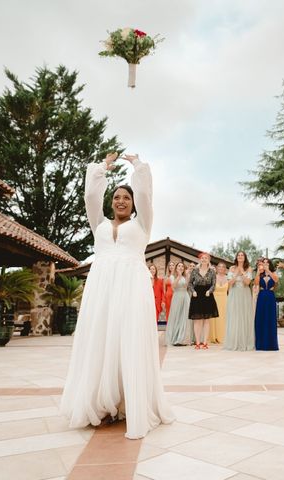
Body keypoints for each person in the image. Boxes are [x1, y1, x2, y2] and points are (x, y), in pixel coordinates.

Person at [60, 152, 174, 440]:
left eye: (126, 197)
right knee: (100, 340)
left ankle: (128, 403)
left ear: (134, 204)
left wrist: (137, 166)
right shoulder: (98, 223)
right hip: (101, 290)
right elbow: (90, 197)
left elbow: (147, 195)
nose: (121, 200)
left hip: (132, 288)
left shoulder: (141, 225)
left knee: (129, 341)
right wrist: (103, 167)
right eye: (116, 197)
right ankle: (100, 403)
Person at [224, 251, 255, 351]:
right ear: (236, 257)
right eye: (238, 255)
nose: (240, 257)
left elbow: (247, 282)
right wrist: (236, 272)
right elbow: (230, 283)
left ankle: (245, 342)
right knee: (234, 316)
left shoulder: (249, 268)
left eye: (242, 255)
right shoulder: (232, 268)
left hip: (244, 294)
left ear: (245, 257)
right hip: (234, 294)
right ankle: (234, 341)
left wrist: (242, 272)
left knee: (244, 316)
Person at [188, 252, 219, 349]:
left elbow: (214, 284)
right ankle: (197, 343)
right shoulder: (194, 271)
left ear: (208, 260)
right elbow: (190, 284)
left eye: (206, 258)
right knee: (197, 321)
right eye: (202, 258)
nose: (204, 259)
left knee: (206, 320)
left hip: (207, 296)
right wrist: (193, 291)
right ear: (200, 260)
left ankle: (205, 343)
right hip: (196, 296)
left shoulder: (212, 272)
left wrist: (209, 291)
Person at [254, 258, 279, 351]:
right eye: (263, 263)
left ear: (269, 264)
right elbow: (256, 283)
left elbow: (276, 280)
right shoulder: (260, 274)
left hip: (270, 297)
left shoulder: (274, 273)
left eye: (267, 263)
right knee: (261, 318)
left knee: (270, 318)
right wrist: (258, 272)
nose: (265, 264)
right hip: (261, 297)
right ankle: (260, 344)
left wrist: (268, 270)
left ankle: (271, 344)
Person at [165, 262, 192, 346]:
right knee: (176, 316)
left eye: (182, 266)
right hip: (177, 296)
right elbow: (173, 286)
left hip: (185, 296)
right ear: (176, 268)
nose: (180, 267)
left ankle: (182, 339)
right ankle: (175, 338)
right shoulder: (173, 276)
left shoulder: (185, 277)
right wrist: (179, 276)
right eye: (179, 266)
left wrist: (187, 276)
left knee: (184, 317)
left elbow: (186, 286)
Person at [211, 261, 229, 344]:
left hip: (225, 300)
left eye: (223, 267)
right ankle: (214, 337)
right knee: (215, 318)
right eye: (219, 266)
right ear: (217, 268)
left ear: (225, 269)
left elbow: (230, 290)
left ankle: (223, 336)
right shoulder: (213, 277)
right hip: (214, 299)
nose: (221, 268)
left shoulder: (228, 278)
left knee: (224, 317)